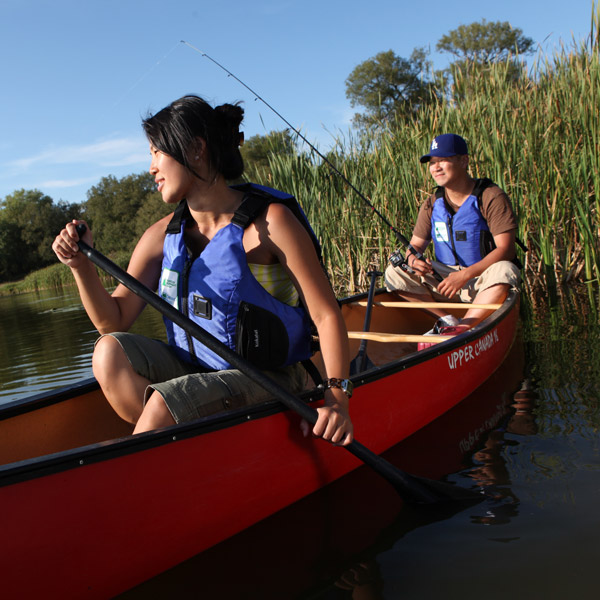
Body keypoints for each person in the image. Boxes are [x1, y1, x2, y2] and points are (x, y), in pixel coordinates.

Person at [52, 94, 353, 444]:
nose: (151, 168)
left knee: (165, 403)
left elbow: (327, 315)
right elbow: (113, 322)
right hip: (193, 367)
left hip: (270, 378)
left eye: (157, 152)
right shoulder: (160, 236)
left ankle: (153, 452)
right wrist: (80, 265)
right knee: (108, 353)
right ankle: (183, 446)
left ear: (196, 148)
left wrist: (337, 399)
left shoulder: (271, 224)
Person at [385, 133, 521, 337]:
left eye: (443, 160)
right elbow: (414, 246)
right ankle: (446, 320)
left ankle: (465, 325)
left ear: (463, 161)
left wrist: (465, 275)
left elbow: (506, 249)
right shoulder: (432, 203)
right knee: (394, 273)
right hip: (445, 281)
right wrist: (413, 260)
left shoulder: (491, 196)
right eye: (432, 162)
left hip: (482, 279)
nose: (436, 167)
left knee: (506, 269)